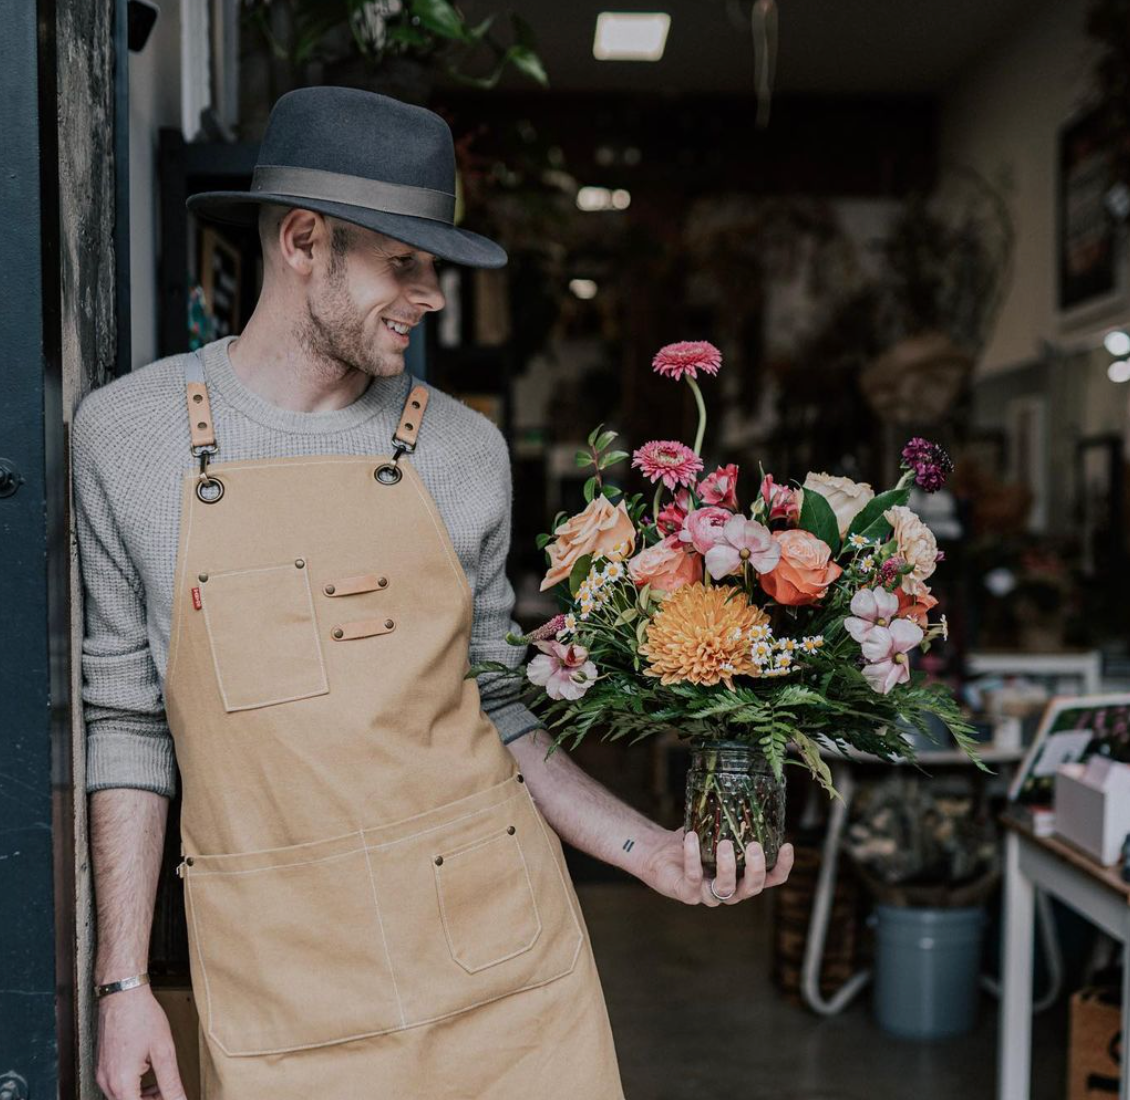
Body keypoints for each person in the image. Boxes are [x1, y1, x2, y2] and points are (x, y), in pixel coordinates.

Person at [74, 87, 794, 1100]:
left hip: (500, 968)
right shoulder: (128, 438)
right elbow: (126, 721)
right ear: (302, 240)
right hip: (280, 980)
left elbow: (495, 704)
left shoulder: (461, 450)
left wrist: (648, 850)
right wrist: (122, 981)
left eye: (433, 265)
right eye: (402, 264)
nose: (432, 295)